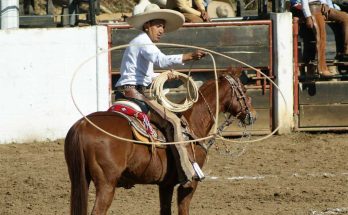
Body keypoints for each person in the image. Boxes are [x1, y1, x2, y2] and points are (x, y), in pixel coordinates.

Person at [115, 3, 206, 187]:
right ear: (147, 25)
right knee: (173, 121)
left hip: (128, 91)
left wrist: (166, 75)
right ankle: (185, 171)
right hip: (135, 94)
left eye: (163, 26)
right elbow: (161, 60)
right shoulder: (143, 41)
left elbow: (148, 75)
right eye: (158, 25)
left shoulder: (141, 42)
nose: (161, 30)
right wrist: (188, 56)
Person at [300, 0, 348, 76]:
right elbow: (304, 3)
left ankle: (346, 50)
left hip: (322, 7)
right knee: (321, 37)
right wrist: (308, 16)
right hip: (313, 8)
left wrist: (324, 3)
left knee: (345, 17)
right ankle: (321, 68)